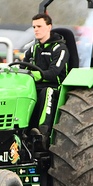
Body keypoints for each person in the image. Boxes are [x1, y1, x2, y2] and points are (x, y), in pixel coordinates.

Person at [22, 13, 69, 141]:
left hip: (55, 87)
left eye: (39, 26)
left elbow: (53, 73)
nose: (36, 29)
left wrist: (33, 74)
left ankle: (43, 132)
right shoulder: (33, 49)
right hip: (34, 86)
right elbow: (23, 68)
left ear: (49, 27)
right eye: (34, 27)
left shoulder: (60, 49)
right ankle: (21, 130)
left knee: (46, 92)